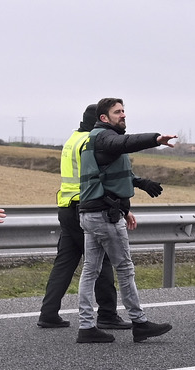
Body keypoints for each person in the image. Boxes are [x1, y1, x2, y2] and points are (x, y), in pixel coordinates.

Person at [74, 97, 176, 344]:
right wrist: (155, 139)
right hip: (105, 216)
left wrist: (141, 183)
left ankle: (86, 326)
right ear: (103, 118)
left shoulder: (93, 141)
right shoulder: (103, 138)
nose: (123, 115)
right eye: (117, 112)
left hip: (90, 213)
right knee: (125, 269)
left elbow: (109, 173)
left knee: (90, 271)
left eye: (123, 111)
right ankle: (139, 323)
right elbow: (125, 143)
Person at [37, 104, 128, 330]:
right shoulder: (93, 141)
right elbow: (100, 178)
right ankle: (107, 314)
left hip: (66, 207)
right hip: (86, 207)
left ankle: (48, 313)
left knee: (65, 262)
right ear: (99, 119)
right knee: (102, 260)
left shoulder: (72, 140)